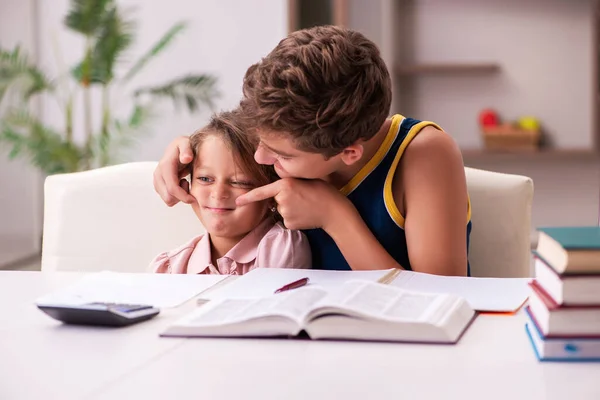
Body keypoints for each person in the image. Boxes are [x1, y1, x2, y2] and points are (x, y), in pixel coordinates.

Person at [152, 25, 471, 276]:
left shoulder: (423, 153)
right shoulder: (287, 128)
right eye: (260, 140)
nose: (261, 157)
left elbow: (441, 299)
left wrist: (335, 216)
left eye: (282, 156)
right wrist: (185, 148)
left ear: (348, 153)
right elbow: (226, 143)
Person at [150, 109, 311, 275]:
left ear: (271, 193)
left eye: (238, 182)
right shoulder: (169, 268)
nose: (218, 193)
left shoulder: (281, 248)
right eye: (205, 179)